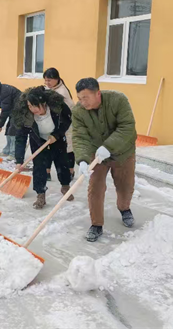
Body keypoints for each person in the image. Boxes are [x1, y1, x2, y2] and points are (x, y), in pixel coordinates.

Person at [72, 77, 137, 242]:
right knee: (95, 188)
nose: (82, 102)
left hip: (123, 152)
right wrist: (83, 160)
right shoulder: (78, 111)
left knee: (125, 186)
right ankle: (96, 224)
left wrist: (108, 146)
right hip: (97, 153)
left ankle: (124, 208)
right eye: (79, 98)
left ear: (97, 94)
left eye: (85, 98)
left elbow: (127, 127)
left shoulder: (118, 100)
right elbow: (80, 137)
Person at [12, 86, 72, 209]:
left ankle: (65, 186)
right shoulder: (25, 115)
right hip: (38, 140)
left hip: (56, 138)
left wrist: (57, 135)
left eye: (35, 106)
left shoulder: (57, 107)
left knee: (62, 163)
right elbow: (21, 138)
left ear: (44, 103)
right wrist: (19, 161)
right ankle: (40, 194)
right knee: (39, 167)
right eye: (29, 106)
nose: (32, 109)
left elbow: (67, 121)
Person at [43, 68, 76, 179]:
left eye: (49, 80)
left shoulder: (62, 92)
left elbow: (67, 111)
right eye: (45, 80)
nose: (47, 83)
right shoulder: (49, 88)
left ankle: (70, 171)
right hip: (52, 122)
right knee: (48, 145)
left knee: (68, 148)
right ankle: (46, 172)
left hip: (66, 122)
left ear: (56, 79)